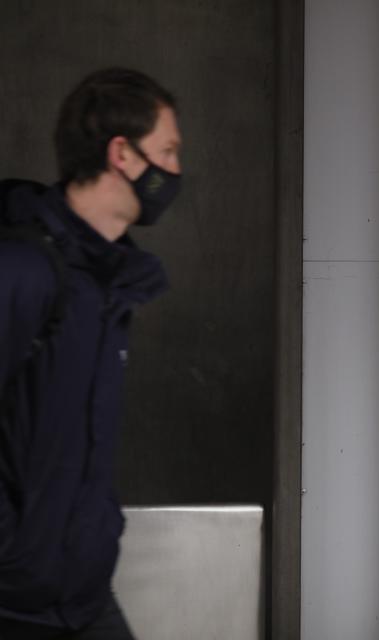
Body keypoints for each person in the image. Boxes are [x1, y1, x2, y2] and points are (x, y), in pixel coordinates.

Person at [0, 68, 182, 639]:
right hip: (15, 602)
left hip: (81, 593)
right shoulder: (24, 271)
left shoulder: (107, 285)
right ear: (122, 154)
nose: (176, 172)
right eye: (169, 151)